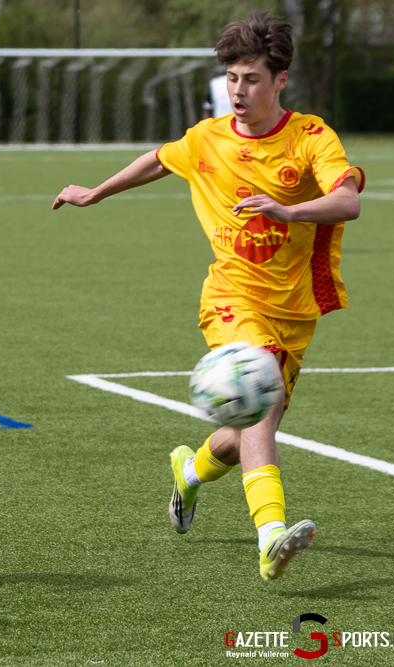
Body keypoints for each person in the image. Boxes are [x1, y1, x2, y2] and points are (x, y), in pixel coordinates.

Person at [52, 11, 363, 581]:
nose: (237, 90)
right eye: (232, 78)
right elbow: (160, 157)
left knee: (243, 429)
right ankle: (271, 537)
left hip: (293, 308)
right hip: (230, 297)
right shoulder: (208, 139)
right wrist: (97, 192)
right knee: (263, 413)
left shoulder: (311, 136)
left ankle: (189, 472)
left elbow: (348, 201)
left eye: (250, 78)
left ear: (280, 80)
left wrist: (288, 209)